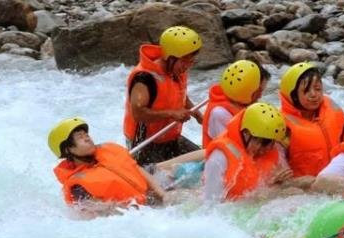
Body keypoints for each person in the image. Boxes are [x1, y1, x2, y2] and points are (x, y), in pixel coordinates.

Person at [123, 26, 203, 166]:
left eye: (191, 61)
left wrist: (196, 113)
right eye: (185, 61)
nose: (188, 66)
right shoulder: (144, 78)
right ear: (170, 58)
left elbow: (180, 95)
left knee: (204, 161)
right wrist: (171, 114)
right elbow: (138, 114)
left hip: (170, 138)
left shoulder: (177, 71)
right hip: (145, 143)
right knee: (159, 184)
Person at [49, 117, 167, 207]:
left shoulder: (109, 151)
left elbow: (136, 168)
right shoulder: (78, 187)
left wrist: (163, 194)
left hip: (153, 194)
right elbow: (100, 210)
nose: (87, 138)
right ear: (68, 149)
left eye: (86, 134)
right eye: (80, 137)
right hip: (137, 211)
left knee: (179, 171)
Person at [203, 102, 293, 202]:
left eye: (272, 143)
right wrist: (268, 188)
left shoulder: (273, 151)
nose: (268, 148)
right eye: (264, 142)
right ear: (246, 133)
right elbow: (211, 206)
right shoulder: (219, 158)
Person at [279, 62, 344, 177]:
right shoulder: (281, 125)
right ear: (293, 95)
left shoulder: (332, 107)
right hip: (307, 186)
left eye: (317, 89)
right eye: (306, 91)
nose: (314, 95)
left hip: (340, 176)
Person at [202, 59, 271, 148]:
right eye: (259, 91)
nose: (260, 96)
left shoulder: (243, 103)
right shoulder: (219, 113)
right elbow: (232, 149)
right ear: (247, 87)